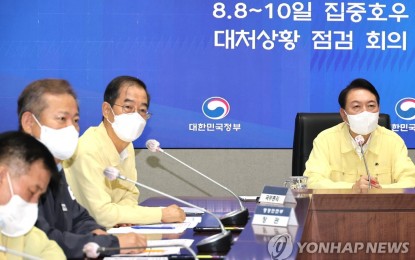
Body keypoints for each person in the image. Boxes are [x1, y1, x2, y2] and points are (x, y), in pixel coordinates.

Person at [18, 79, 147, 259]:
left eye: (76, 120)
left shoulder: (53, 167)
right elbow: (42, 240)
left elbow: (79, 217)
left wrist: (96, 231)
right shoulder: (14, 174)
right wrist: (110, 243)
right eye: (62, 118)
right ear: (29, 122)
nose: (72, 128)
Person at [64, 75, 185, 228]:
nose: (136, 116)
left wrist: (122, 216)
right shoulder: (87, 149)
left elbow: (130, 194)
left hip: (111, 234)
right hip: (80, 240)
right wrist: (161, 215)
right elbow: (102, 215)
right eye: (128, 107)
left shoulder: (126, 145)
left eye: (142, 110)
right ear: (107, 110)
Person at [304, 78, 415, 190]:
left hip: (382, 206)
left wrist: (380, 190)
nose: (365, 112)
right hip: (337, 207)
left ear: (378, 110)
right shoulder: (325, 140)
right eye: (357, 106)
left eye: (371, 106)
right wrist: (352, 188)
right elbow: (313, 181)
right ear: (344, 114)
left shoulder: (393, 141)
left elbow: (411, 181)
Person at [0, 131, 66, 259]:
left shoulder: (13, 225)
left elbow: (50, 251)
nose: (34, 204)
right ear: (2, 176)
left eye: (39, 197)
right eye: (31, 192)